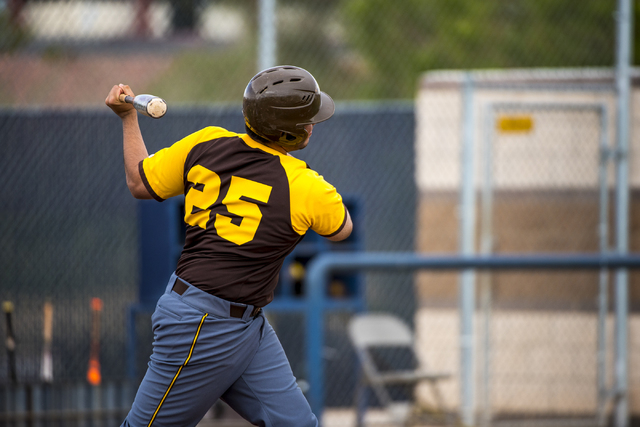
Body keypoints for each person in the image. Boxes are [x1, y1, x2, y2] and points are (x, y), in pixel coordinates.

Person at [105, 65, 352, 427]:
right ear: (288, 131)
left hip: (247, 326)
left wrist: (128, 117)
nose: (312, 124)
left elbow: (139, 181)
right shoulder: (306, 185)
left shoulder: (207, 142)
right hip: (199, 323)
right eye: (306, 120)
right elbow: (342, 229)